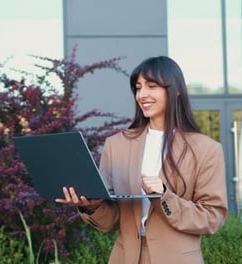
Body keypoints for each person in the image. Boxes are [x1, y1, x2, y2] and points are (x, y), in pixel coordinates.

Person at [55, 56, 228, 264]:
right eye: (138, 88)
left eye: (151, 86)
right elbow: (110, 221)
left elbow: (212, 218)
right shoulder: (116, 145)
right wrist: (90, 206)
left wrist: (164, 196)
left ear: (176, 90)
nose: (142, 95)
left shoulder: (206, 149)